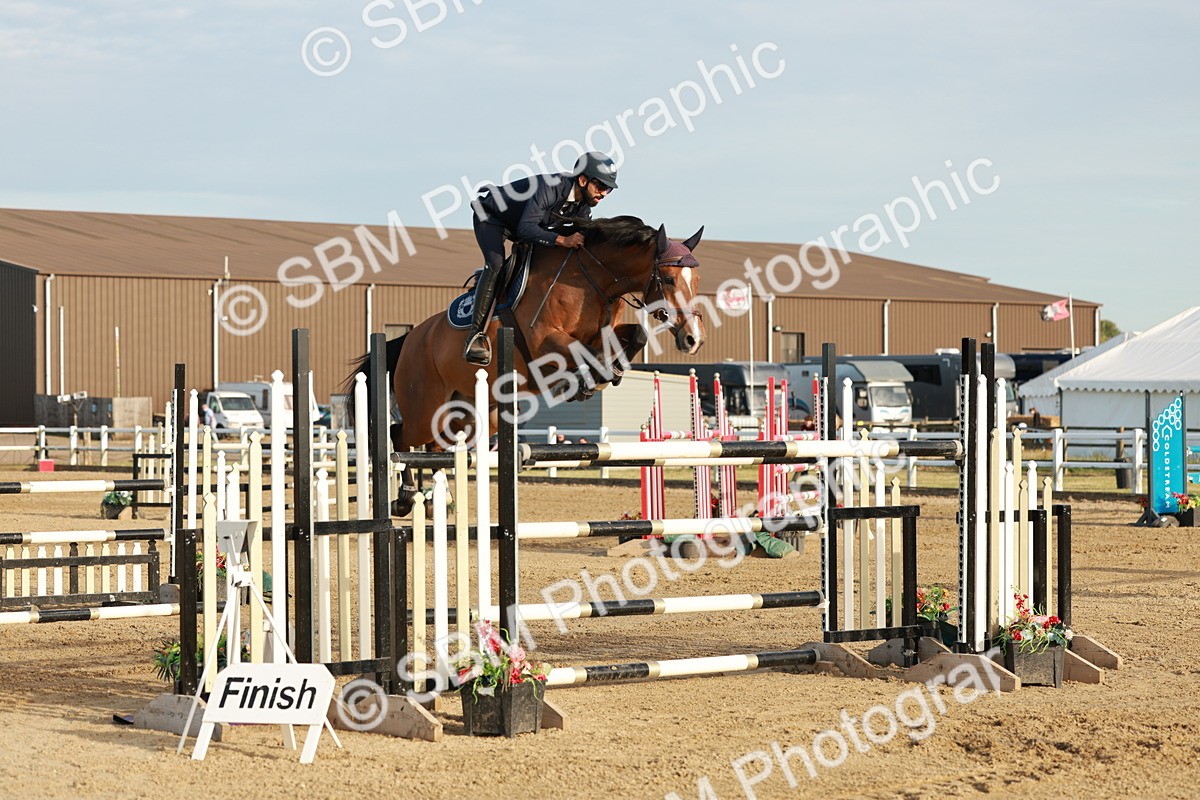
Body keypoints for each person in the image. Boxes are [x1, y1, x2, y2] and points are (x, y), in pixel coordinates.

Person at [463, 151, 620, 365]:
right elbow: (527, 228)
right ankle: (475, 336)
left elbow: (582, 239)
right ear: (583, 180)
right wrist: (563, 240)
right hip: (492, 218)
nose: (604, 194)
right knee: (496, 265)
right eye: (601, 187)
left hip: (522, 225)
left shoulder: (583, 207)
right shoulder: (551, 187)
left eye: (608, 189)